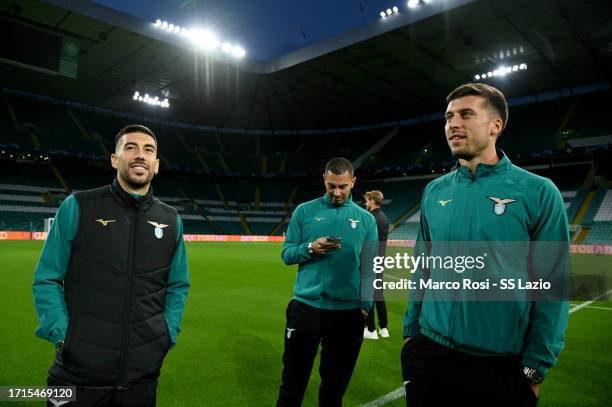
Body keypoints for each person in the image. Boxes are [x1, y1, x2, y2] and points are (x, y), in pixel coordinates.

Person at [401, 83, 569, 407]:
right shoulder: (435, 192)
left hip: (501, 364)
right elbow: (423, 265)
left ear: (496, 125)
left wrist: (537, 365)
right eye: (449, 116)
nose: (453, 124)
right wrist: (412, 334)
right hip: (429, 351)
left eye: (466, 114)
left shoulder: (538, 192)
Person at [33, 124, 190, 406]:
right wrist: (62, 335)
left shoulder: (171, 220)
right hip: (77, 373)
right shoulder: (78, 206)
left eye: (148, 150)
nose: (140, 155)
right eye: (130, 148)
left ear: (156, 165)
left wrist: (167, 333)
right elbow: (47, 278)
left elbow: (178, 285)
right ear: (115, 159)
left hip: (141, 376)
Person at [277, 157, 378, 407]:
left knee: (333, 389)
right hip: (306, 309)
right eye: (331, 185)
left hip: (347, 315)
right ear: (324, 179)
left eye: (342, 186)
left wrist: (365, 306)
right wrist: (310, 247)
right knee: (292, 384)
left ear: (353, 182)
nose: (336, 192)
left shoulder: (366, 220)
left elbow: (371, 268)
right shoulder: (304, 211)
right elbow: (287, 254)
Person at [362, 190, 389, 340]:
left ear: (372, 200)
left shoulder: (371, 218)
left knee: (369, 294)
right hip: (379, 261)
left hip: (370, 262)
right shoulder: (383, 217)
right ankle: (384, 327)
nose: (366, 203)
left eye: (367, 200)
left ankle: (371, 329)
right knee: (378, 294)